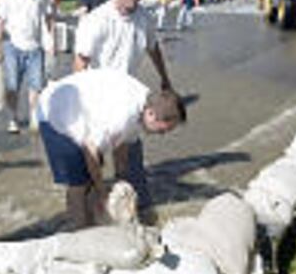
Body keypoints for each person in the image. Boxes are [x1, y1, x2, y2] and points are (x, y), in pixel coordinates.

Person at [73, 0, 176, 214]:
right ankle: (87, 213)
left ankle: (132, 211)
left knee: (129, 164)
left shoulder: (144, 18)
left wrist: (165, 79)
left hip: (128, 100)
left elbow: (153, 49)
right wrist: (80, 106)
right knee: (91, 162)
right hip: (98, 99)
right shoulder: (97, 20)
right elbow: (80, 62)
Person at [37, 69, 185, 228]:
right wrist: (102, 192)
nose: (162, 135)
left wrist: (119, 179)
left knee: (91, 177)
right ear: (150, 114)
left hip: (83, 109)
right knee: (78, 183)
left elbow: (123, 144)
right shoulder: (123, 116)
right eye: (162, 130)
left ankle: (88, 217)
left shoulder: (147, 103)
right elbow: (90, 151)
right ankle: (78, 230)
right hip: (54, 112)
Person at [0, 0, 56, 133]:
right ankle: (13, 117)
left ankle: (34, 117)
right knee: (12, 85)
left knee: (36, 85)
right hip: (12, 46)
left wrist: (51, 40)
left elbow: (49, 16)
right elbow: (0, 23)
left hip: (35, 46)